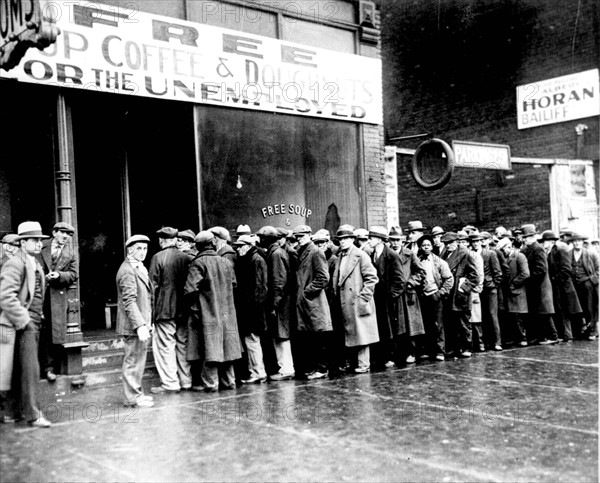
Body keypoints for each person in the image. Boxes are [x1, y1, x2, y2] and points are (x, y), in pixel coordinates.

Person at [0, 221, 52, 427]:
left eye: (40, 240)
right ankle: (32, 414)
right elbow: (5, 296)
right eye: (34, 240)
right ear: (23, 242)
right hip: (21, 323)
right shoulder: (16, 263)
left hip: (33, 321)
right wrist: (25, 321)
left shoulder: (32, 262)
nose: (39, 244)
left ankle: (15, 412)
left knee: (22, 369)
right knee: (30, 369)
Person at [185, 231, 242, 391]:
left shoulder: (198, 263)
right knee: (227, 349)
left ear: (198, 246)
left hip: (207, 313)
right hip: (227, 314)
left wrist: (195, 308)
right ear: (213, 243)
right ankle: (229, 382)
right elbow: (234, 285)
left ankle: (211, 384)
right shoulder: (225, 262)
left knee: (209, 350)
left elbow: (190, 290)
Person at [148, 227, 192, 394]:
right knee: (183, 345)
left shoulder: (158, 257)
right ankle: (186, 381)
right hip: (184, 310)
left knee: (165, 346)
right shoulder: (187, 257)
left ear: (161, 241)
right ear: (175, 240)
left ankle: (171, 383)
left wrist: (150, 315)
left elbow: (153, 287)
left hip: (164, 310)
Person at [331, 225, 379, 373]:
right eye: (341, 239)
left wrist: (363, 298)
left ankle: (364, 364)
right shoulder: (340, 256)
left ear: (352, 239)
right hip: (344, 300)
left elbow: (372, 278)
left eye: (346, 239)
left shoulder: (361, 255)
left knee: (362, 333)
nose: (343, 242)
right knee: (350, 332)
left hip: (356, 300)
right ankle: (353, 363)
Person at [116, 234, 154, 408]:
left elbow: (145, 298)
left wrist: (147, 322)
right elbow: (129, 301)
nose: (143, 252)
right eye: (139, 248)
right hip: (133, 325)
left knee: (137, 360)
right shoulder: (127, 270)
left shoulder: (138, 268)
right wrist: (140, 325)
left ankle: (136, 394)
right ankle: (132, 397)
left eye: (145, 248)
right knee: (133, 361)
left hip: (140, 323)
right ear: (129, 250)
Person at [37, 221, 79, 382]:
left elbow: (74, 274)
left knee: (53, 332)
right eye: (63, 233)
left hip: (57, 296)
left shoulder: (72, 252)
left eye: (68, 234)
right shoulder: (41, 245)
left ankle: (50, 368)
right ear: (54, 233)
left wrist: (59, 276)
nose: (66, 237)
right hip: (38, 292)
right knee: (36, 330)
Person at [293, 225, 332, 380]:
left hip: (314, 302)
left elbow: (323, 277)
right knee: (310, 337)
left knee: (319, 336)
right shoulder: (300, 252)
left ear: (309, 235)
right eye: (297, 237)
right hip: (305, 302)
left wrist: (307, 291)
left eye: (302, 236)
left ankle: (322, 369)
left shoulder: (316, 252)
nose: (299, 239)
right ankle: (315, 368)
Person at [257, 226, 295, 381]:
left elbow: (279, 282)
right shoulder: (276, 252)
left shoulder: (276, 254)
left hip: (279, 303)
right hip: (280, 301)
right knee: (279, 334)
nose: (260, 240)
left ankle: (286, 369)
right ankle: (285, 368)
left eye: (262, 237)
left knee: (282, 335)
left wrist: (274, 305)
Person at [233, 234, 268, 384]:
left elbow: (260, 288)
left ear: (247, 246)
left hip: (252, 310)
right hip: (251, 310)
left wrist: (254, 308)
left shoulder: (255, 260)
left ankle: (258, 372)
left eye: (240, 246)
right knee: (251, 341)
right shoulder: (251, 259)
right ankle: (256, 371)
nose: (238, 249)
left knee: (252, 341)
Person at [368, 226, 403, 368]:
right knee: (381, 327)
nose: (369, 241)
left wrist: (392, 296)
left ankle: (391, 357)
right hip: (377, 298)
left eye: (371, 238)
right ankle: (382, 356)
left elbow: (400, 280)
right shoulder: (373, 254)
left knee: (390, 328)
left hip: (388, 299)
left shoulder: (391, 255)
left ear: (379, 240)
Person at [390, 226, 426, 364]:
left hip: (408, 295)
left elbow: (421, 272)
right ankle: (397, 354)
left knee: (410, 325)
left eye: (397, 240)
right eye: (392, 240)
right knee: (396, 326)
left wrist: (411, 282)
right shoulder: (387, 255)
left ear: (402, 241)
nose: (395, 243)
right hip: (394, 294)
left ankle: (411, 353)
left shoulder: (409, 254)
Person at [441, 231, 480, 358]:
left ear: (456, 242)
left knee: (464, 323)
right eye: (446, 243)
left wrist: (463, 288)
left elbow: (475, 277)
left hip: (460, 295)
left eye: (450, 243)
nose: (448, 245)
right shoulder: (444, 254)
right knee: (451, 323)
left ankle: (467, 348)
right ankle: (454, 348)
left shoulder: (465, 254)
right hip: (448, 294)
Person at [519, 224, 558, 345]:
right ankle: (539, 336)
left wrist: (530, 280)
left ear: (533, 237)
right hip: (534, 286)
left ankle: (553, 335)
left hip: (540, 286)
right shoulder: (526, 249)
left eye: (527, 237)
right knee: (537, 312)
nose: (525, 239)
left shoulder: (538, 249)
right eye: (524, 237)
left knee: (544, 312)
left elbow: (541, 269)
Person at [416, 234, 453, 361]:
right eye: (423, 245)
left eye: (428, 245)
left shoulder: (439, 262)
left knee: (438, 325)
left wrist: (441, 292)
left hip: (435, 296)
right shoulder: (417, 261)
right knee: (425, 324)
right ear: (420, 247)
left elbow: (449, 279)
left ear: (432, 247)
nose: (426, 247)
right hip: (422, 296)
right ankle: (427, 350)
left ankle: (440, 351)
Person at [542, 230, 582, 343]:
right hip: (556, 287)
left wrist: (554, 279)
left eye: (545, 241)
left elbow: (566, 269)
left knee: (564, 311)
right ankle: (563, 334)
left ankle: (567, 335)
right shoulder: (549, 252)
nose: (544, 243)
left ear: (551, 242)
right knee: (559, 310)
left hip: (564, 287)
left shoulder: (560, 251)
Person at [496, 237, 530, 346]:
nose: (502, 252)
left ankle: (522, 338)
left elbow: (525, 273)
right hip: (510, 292)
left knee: (519, 317)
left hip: (518, 292)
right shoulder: (506, 259)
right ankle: (516, 338)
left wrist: (514, 284)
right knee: (513, 317)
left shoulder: (519, 256)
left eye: (503, 249)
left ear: (509, 247)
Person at [570, 233, 599, 340]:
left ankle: (592, 331)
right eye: (575, 241)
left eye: (579, 241)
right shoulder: (569, 254)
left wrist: (592, 281)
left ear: (582, 242)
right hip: (573, 285)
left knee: (589, 308)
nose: (577, 243)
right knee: (576, 308)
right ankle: (578, 330)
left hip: (588, 286)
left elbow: (598, 269)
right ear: (572, 242)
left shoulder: (591, 254)